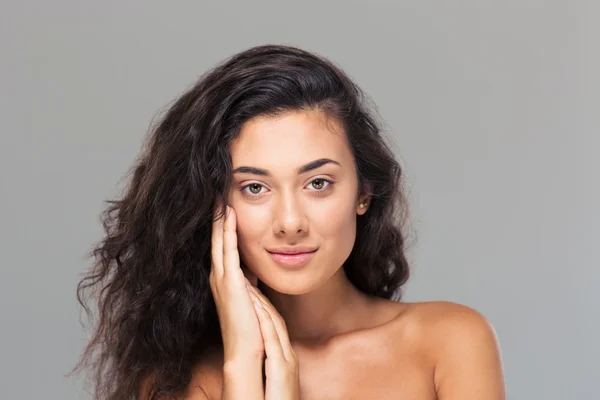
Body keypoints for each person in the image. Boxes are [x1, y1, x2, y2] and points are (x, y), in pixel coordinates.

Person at [74, 44, 505, 399]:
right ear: (213, 206)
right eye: (255, 188)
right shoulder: (177, 383)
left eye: (318, 183)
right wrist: (243, 367)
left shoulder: (449, 343)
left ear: (363, 193)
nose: (290, 222)